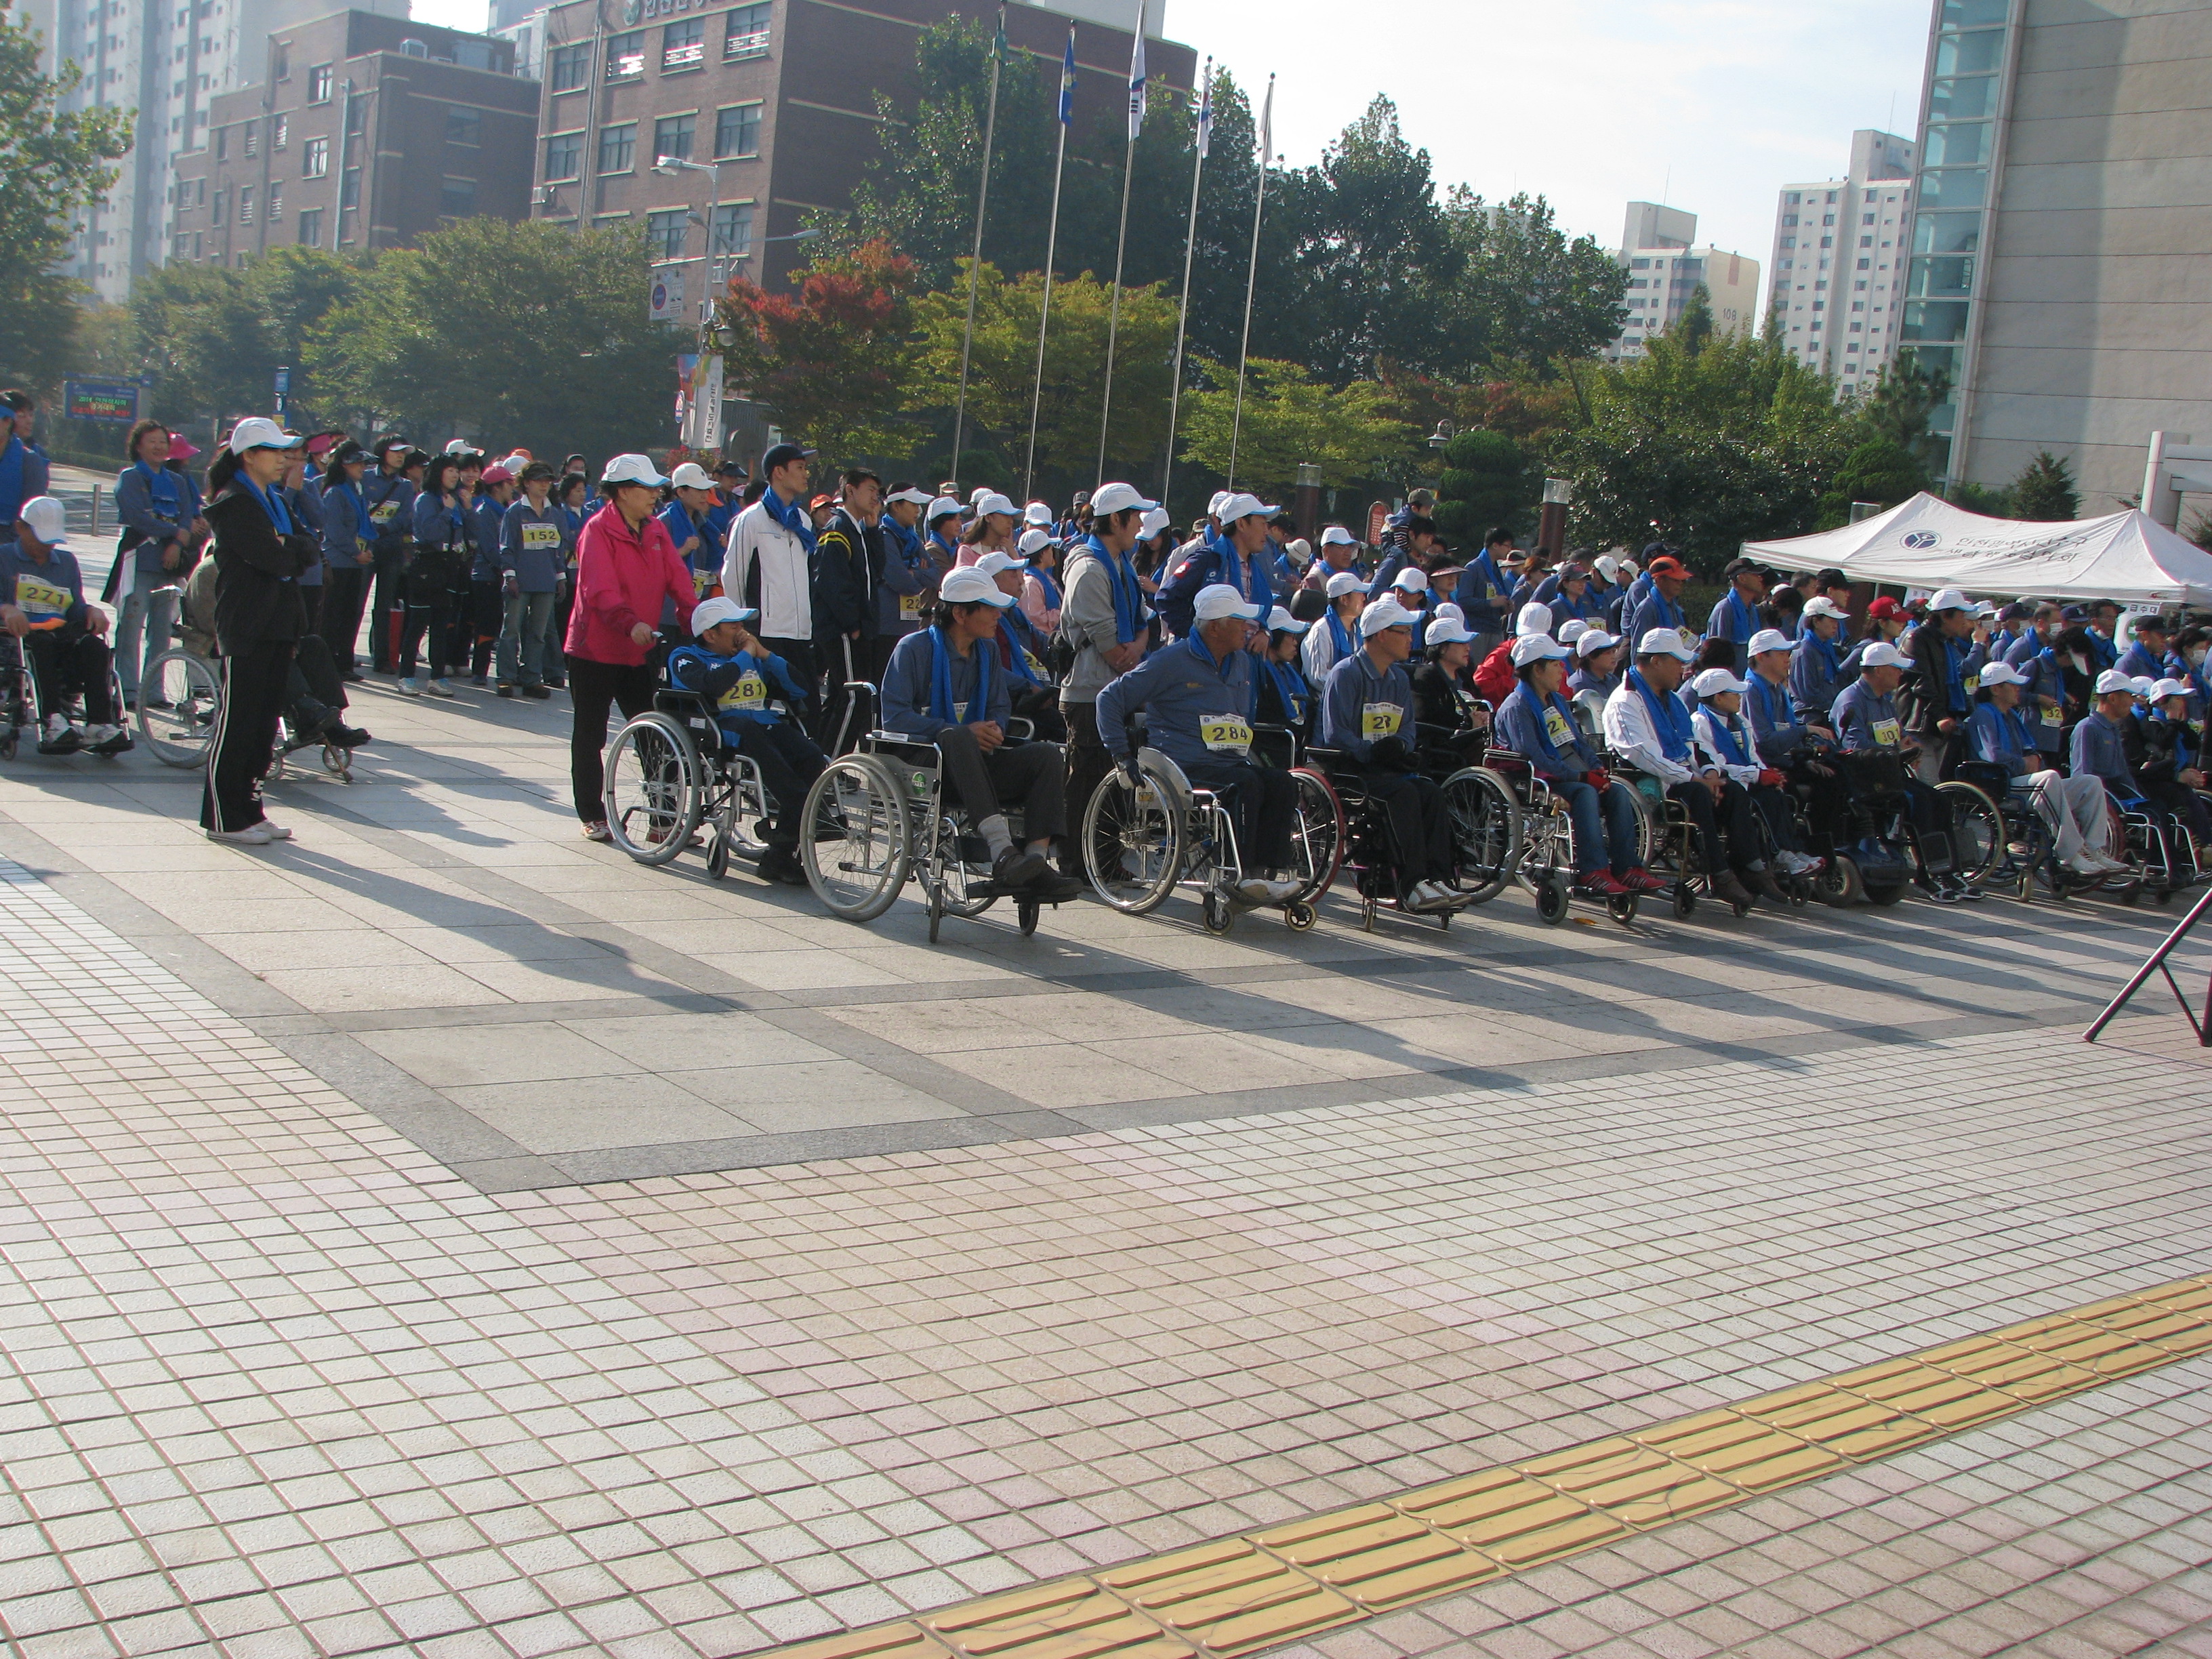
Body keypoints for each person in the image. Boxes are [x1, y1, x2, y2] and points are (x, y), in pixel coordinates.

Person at [880, 567, 1084, 901]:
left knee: (1046, 754)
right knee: (957, 736)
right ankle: (1002, 851)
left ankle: (1034, 864)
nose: (998, 615)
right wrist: (955, 730)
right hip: (927, 765)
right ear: (960, 612)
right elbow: (895, 717)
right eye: (989, 608)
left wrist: (994, 730)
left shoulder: (987, 652)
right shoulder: (913, 649)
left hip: (979, 761)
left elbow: (999, 707)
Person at [1094, 583, 1303, 905]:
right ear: (1216, 627)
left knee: (1281, 781)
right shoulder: (1171, 661)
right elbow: (1109, 699)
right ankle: (1242, 873)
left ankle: (1265, 873)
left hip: (1230, 760)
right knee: (1244, 784)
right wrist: (1122, 755)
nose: (1249, 628)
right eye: (1240, 621)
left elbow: (1243, 717)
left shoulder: (1244, 663)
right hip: (1182, 764)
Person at [197, 421, 318, 842]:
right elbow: (275, 558)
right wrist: (288, 548)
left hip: (279, 622)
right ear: (249, 454)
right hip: (247, 623)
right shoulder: (234, 502)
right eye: (275, 450)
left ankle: (251, 809)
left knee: (266, 722)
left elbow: (306, 547)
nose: (285, 458)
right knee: (239, 722)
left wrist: (289, 545)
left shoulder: (275, 500)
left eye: (287, 450)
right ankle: (224, 818)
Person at [567, 455, 697, 841]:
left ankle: (664, 822)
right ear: (624, 492)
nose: (657, 495)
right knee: (590, 736)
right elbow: (600, 590)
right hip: (595, 650)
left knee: (657, 734)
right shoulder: (597, 530)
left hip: (639, 651)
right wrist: (631, 622)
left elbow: (680, 581)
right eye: (648, 488)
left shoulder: (656, 530)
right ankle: (592, 814)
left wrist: (701, 622)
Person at [666, 595, 827, 886]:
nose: (742, 631)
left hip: (761, 722)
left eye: (743, 624)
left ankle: (780, 854)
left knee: (810, 755)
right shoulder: (685, 657)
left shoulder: (752, 656)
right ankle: (811, 814)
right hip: (720, 726)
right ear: (710, 634)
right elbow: (714, 685)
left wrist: (765, 655)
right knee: (758, 741)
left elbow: (800, 688)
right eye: (733, 625)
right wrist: (746, 655)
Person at [1603, 628, 1767, 909]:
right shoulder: (1626, 701)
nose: (1684, 667)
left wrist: (1711, 774)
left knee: (1734, 791)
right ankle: (1719, 872)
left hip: (1684, 777)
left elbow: (1694, 744)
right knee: (1698, 793)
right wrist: (1694, 778)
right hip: (1651, 782)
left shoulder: (1674, 700)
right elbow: (1642, 754)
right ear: (1656, 662)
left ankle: (1750, 866)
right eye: (1677, 661)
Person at [1319, 596, 1460, 912]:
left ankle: (1439, 878)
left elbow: (1407, 727)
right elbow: (1335, 733)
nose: (1412, 639)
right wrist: (1371, 752)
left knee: (1431, 793)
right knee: (1404, 795)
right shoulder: (1346, 673)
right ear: (1382, 634)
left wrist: (1401, 747)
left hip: (1388, 769)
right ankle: (1412, 884)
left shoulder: (1398, 678)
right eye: (1404, 632)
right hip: (1352, 771)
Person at [1495, 632, 1658, 898]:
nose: (1563, 669)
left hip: (1569, 772)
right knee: (1585, 793)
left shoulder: (1557, 701)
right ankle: (1593, 870)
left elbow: (1578, 742)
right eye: (1556, 664)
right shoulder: (1517, 706)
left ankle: (1628, 867)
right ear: (1537, 669)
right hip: (1536, 779)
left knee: (1617, 791)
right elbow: (1536, 759)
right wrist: (1582, 778)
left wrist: (1595, 768)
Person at [1056, 482, 1154, 880]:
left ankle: (1108, 860)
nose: (1141, 525)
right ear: (1116, 519)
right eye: (1136, 517)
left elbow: (1145, 620)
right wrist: (1130, 657)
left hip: (1118, 689)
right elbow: (1109, 644)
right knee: (1087, 779)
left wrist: (1137, 649)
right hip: (1088, 691)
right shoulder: (1088, 567)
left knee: (1116, 782)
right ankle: (1076, 862)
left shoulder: (1122, 566)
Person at [1831, 639, 1969, 898]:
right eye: (1895, 668)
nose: (1900, 673)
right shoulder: (1852, 700)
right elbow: (1855, 746)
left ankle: (1947, 870)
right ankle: (1927, 874)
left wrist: (1908, 745)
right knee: (1919, 802)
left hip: (1888, 773)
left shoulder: (1884, 700)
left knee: (1938, 799)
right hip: (1865, 778)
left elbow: (1897, 733)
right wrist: (1896, 752)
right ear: (1879, 670)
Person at [1969, 659, 2122, 877]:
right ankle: (2070, 853)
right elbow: (1993, 756)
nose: (2018, 689)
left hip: (2023, 781)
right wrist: (2024, 763)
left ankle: (2094, 849)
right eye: (2012, 685)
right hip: (1999, 785)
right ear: (1995, 689)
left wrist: (2032, 760)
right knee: (2049, 777)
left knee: (2090, 783)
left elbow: (2031, 750)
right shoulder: (1983, 715)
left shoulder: (2011, 716)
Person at [3, 496, 124, 755]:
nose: (46, 547)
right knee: (42, 645)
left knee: (95, 647)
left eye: (51, 541)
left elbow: (75, 606)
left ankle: (99, 723)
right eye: (40, 539)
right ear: (21, 528)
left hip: (63, 635)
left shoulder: (66, 562)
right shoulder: (4, 558)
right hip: (21, 640)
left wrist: (91, 610)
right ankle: (52, 721)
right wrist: (6, 608)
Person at [1689, 667, 1821, 878]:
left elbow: (1753, 754)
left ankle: (1795, 849)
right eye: (1734, 694)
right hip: (1727, 784)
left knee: (1784, 790)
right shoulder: (1700, 723)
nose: (1739, 698)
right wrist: (1756, 776)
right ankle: (1782, 854)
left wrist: (1765, 772)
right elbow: (1716, 765)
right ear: (1719, 698)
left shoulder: (1740, 721)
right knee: (1767, 797)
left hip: (1748, 777)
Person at [723, 443, 820, 720]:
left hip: (800, 632)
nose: (806, 475)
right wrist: (738, 629)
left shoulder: (802, 519)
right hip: (763, 632)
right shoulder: (750, 520)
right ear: (778, 472)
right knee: (754, 711)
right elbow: (733, 575)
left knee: (809, 711)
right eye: (800, 468)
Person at [1744, 627, 1850, 857]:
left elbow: (1786, 735)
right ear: (1761, 656)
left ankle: (1825, 846)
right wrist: (1806, 730)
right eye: (1782, 654)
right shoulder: (1752, 690)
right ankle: (1795, 849)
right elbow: (1766, 743)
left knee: (1836, 777)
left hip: (1785, 759)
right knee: (1792, 788)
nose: (1788, 658)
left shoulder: (1779, 691)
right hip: (1762, 764)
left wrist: (1807, 757)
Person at [813, 468, 886, 756]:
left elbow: (877, 571)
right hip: (842, 630)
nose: (875, 497)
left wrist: (873, 528)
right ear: (851, 491)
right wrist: (853, 622)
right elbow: (832, 582)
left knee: (840, 698)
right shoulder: (837, 528)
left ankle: (820, 760)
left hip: (857, 628)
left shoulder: (860, 529)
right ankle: (830, 765)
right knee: (854, 696)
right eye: (870, 490)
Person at [974, 549, 1066, 743]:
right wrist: (1027, 687)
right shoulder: (983, 623)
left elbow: (1044, 645)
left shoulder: (1015, 616)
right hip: (1012, 701)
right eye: (1013, 574)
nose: (1021, 579)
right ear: (993, 583)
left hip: (1035, 694)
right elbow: (990, 669)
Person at [1157, 493, 1277, 638]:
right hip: (1206, 658)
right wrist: (1195, 635)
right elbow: (1166, 597)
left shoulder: (1255, 568)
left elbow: (1262, 617)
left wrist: (1265, 633)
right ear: (1241, 524)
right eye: (1262, 523)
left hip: (1244, 658)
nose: (1266, 531)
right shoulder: (1207, 559)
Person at [495, 461, 569, 698]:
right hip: (521, 580)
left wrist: (560, 578)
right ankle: (506, 677)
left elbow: (559, 548)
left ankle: (532, 678)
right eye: (539, 480)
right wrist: (510, 576)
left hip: (546, 581)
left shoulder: (555, 513)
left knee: (538, 633)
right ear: (526, 483)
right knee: (511, 630)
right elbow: (506, 547)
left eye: (548, 481)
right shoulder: (515, 512)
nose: (544, 485)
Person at [1904, 588, 1987, 781]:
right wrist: (1940, 716)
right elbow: (1922, 682)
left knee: (1936, 788)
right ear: (1944, 616)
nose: (1965, 620)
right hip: (1921, 727)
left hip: (1941, 727)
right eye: (1960, 615)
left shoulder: (1946, 643)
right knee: (1929, 786)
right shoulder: (1917, 638)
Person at [358, 439, 417, 674]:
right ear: (383, 453)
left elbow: (405, 516)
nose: (401, 457)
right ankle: (345, 654)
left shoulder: (405, 486)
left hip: (391, 549)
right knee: (357, 603)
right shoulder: (366, 478)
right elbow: (359, 508)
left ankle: (382, 658)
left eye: (404, 453)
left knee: (384, 606)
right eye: (396, 452)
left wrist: (385, 529)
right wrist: (369, 531)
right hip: (366, 547)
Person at [873, 484, 935, 679]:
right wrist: (919, 574)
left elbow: (935, 575)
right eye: (913, 504)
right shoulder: (884, 536)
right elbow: (901, 581)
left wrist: (913, 573)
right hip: (886, 626)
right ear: (896, 506)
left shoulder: (914, 539)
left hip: (909, 626)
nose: (918, 510)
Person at [1410, 613, 1488, 741]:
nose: (1468, 648)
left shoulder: (1465, 676)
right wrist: (1467, 721)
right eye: (1461, 643)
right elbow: (1427, 719)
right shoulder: (1425, 678)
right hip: (1444, 750)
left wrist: (1483, 717)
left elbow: (1479, 704)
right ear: (1442, 649)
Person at [1789, 596, 1856, 727]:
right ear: (1816, 621)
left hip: (1827, 715)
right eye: (1831, 620)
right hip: (1809, 719)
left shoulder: (1828, 648)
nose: (1836, 625)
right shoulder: (1804, 651)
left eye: (1837, 621)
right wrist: (1836, 706)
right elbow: (1809, 693)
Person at [0, 390, 52, 537]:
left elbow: (32, 514)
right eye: (22, 415)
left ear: (8, 421)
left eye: (30, 415)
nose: (29, 421)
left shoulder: (31, 460)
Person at [1302, 570, 1365, 690]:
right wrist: (1351, 690)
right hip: (1331, 699)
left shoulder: (1358, 629)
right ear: (1344, 599)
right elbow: (1319, 678)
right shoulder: (1322, 630)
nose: (1364, 598)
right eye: (1359, 593)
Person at [1453, 528, 1516, 647]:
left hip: (1495, 629)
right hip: (1477, 630)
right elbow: (1463, 600)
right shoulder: (1473, 568)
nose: (1509, 550)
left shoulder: (1496, 569)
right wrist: (1491, 603)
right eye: (1507, 546)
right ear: (1495, 545)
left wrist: (1505, 608)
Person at [1255, 606, 1313, 732]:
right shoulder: (1260, 673)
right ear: (1274, 637)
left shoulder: (1289, 670)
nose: (1295, 643)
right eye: (1290, 636)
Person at [1705, 558, 1769, 672]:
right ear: (1742, 578)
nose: (1761, 578)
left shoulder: (1753, 610)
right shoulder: (1725, 609)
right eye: (1755, 575)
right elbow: (1717, 657)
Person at [1628, 554, 1694, 644]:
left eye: (1682, 580)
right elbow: (1638, 649)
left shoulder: (1674, 607)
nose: (1680, 584)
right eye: (1675, 580)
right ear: (1659, 580)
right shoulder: (1646, 609)